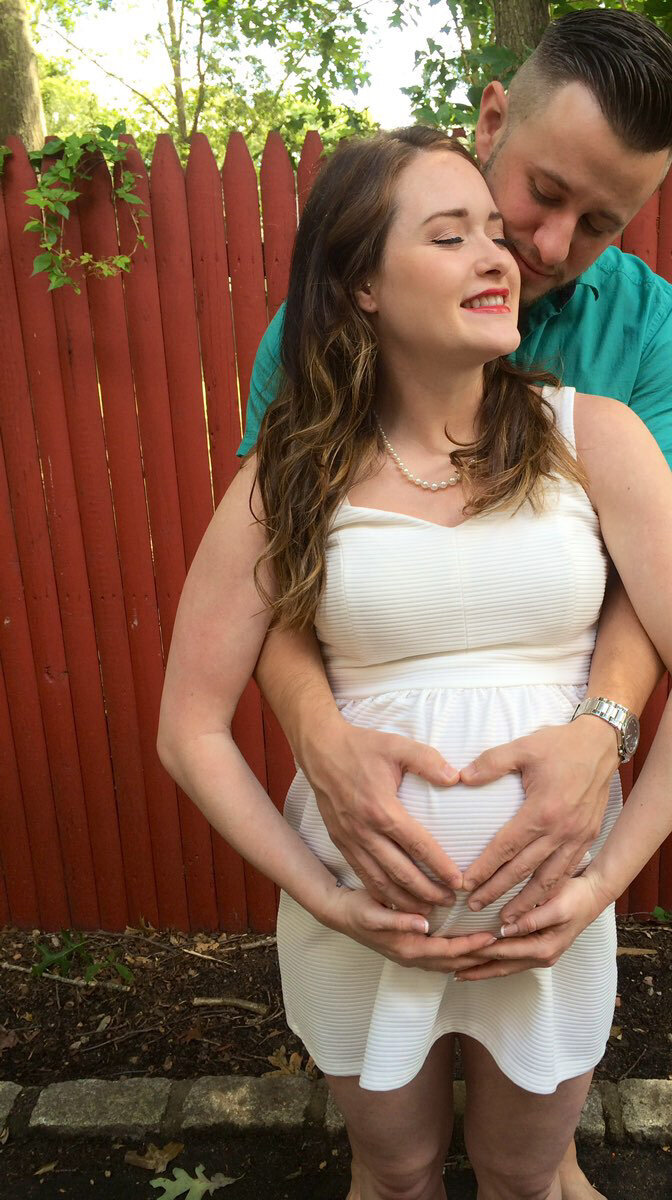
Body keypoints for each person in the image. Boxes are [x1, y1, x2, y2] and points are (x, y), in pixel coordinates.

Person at [158, 126, 672, 1200]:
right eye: (452, 236)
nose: (502, 256)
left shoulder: (599, 437)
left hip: (551, 923)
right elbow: (189, 727)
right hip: (363, 924)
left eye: (494, 231)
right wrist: (324, 898)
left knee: (527, 1176)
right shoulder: (285, 477)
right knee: (393, 1171)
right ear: (359, 288)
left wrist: (604, 885)